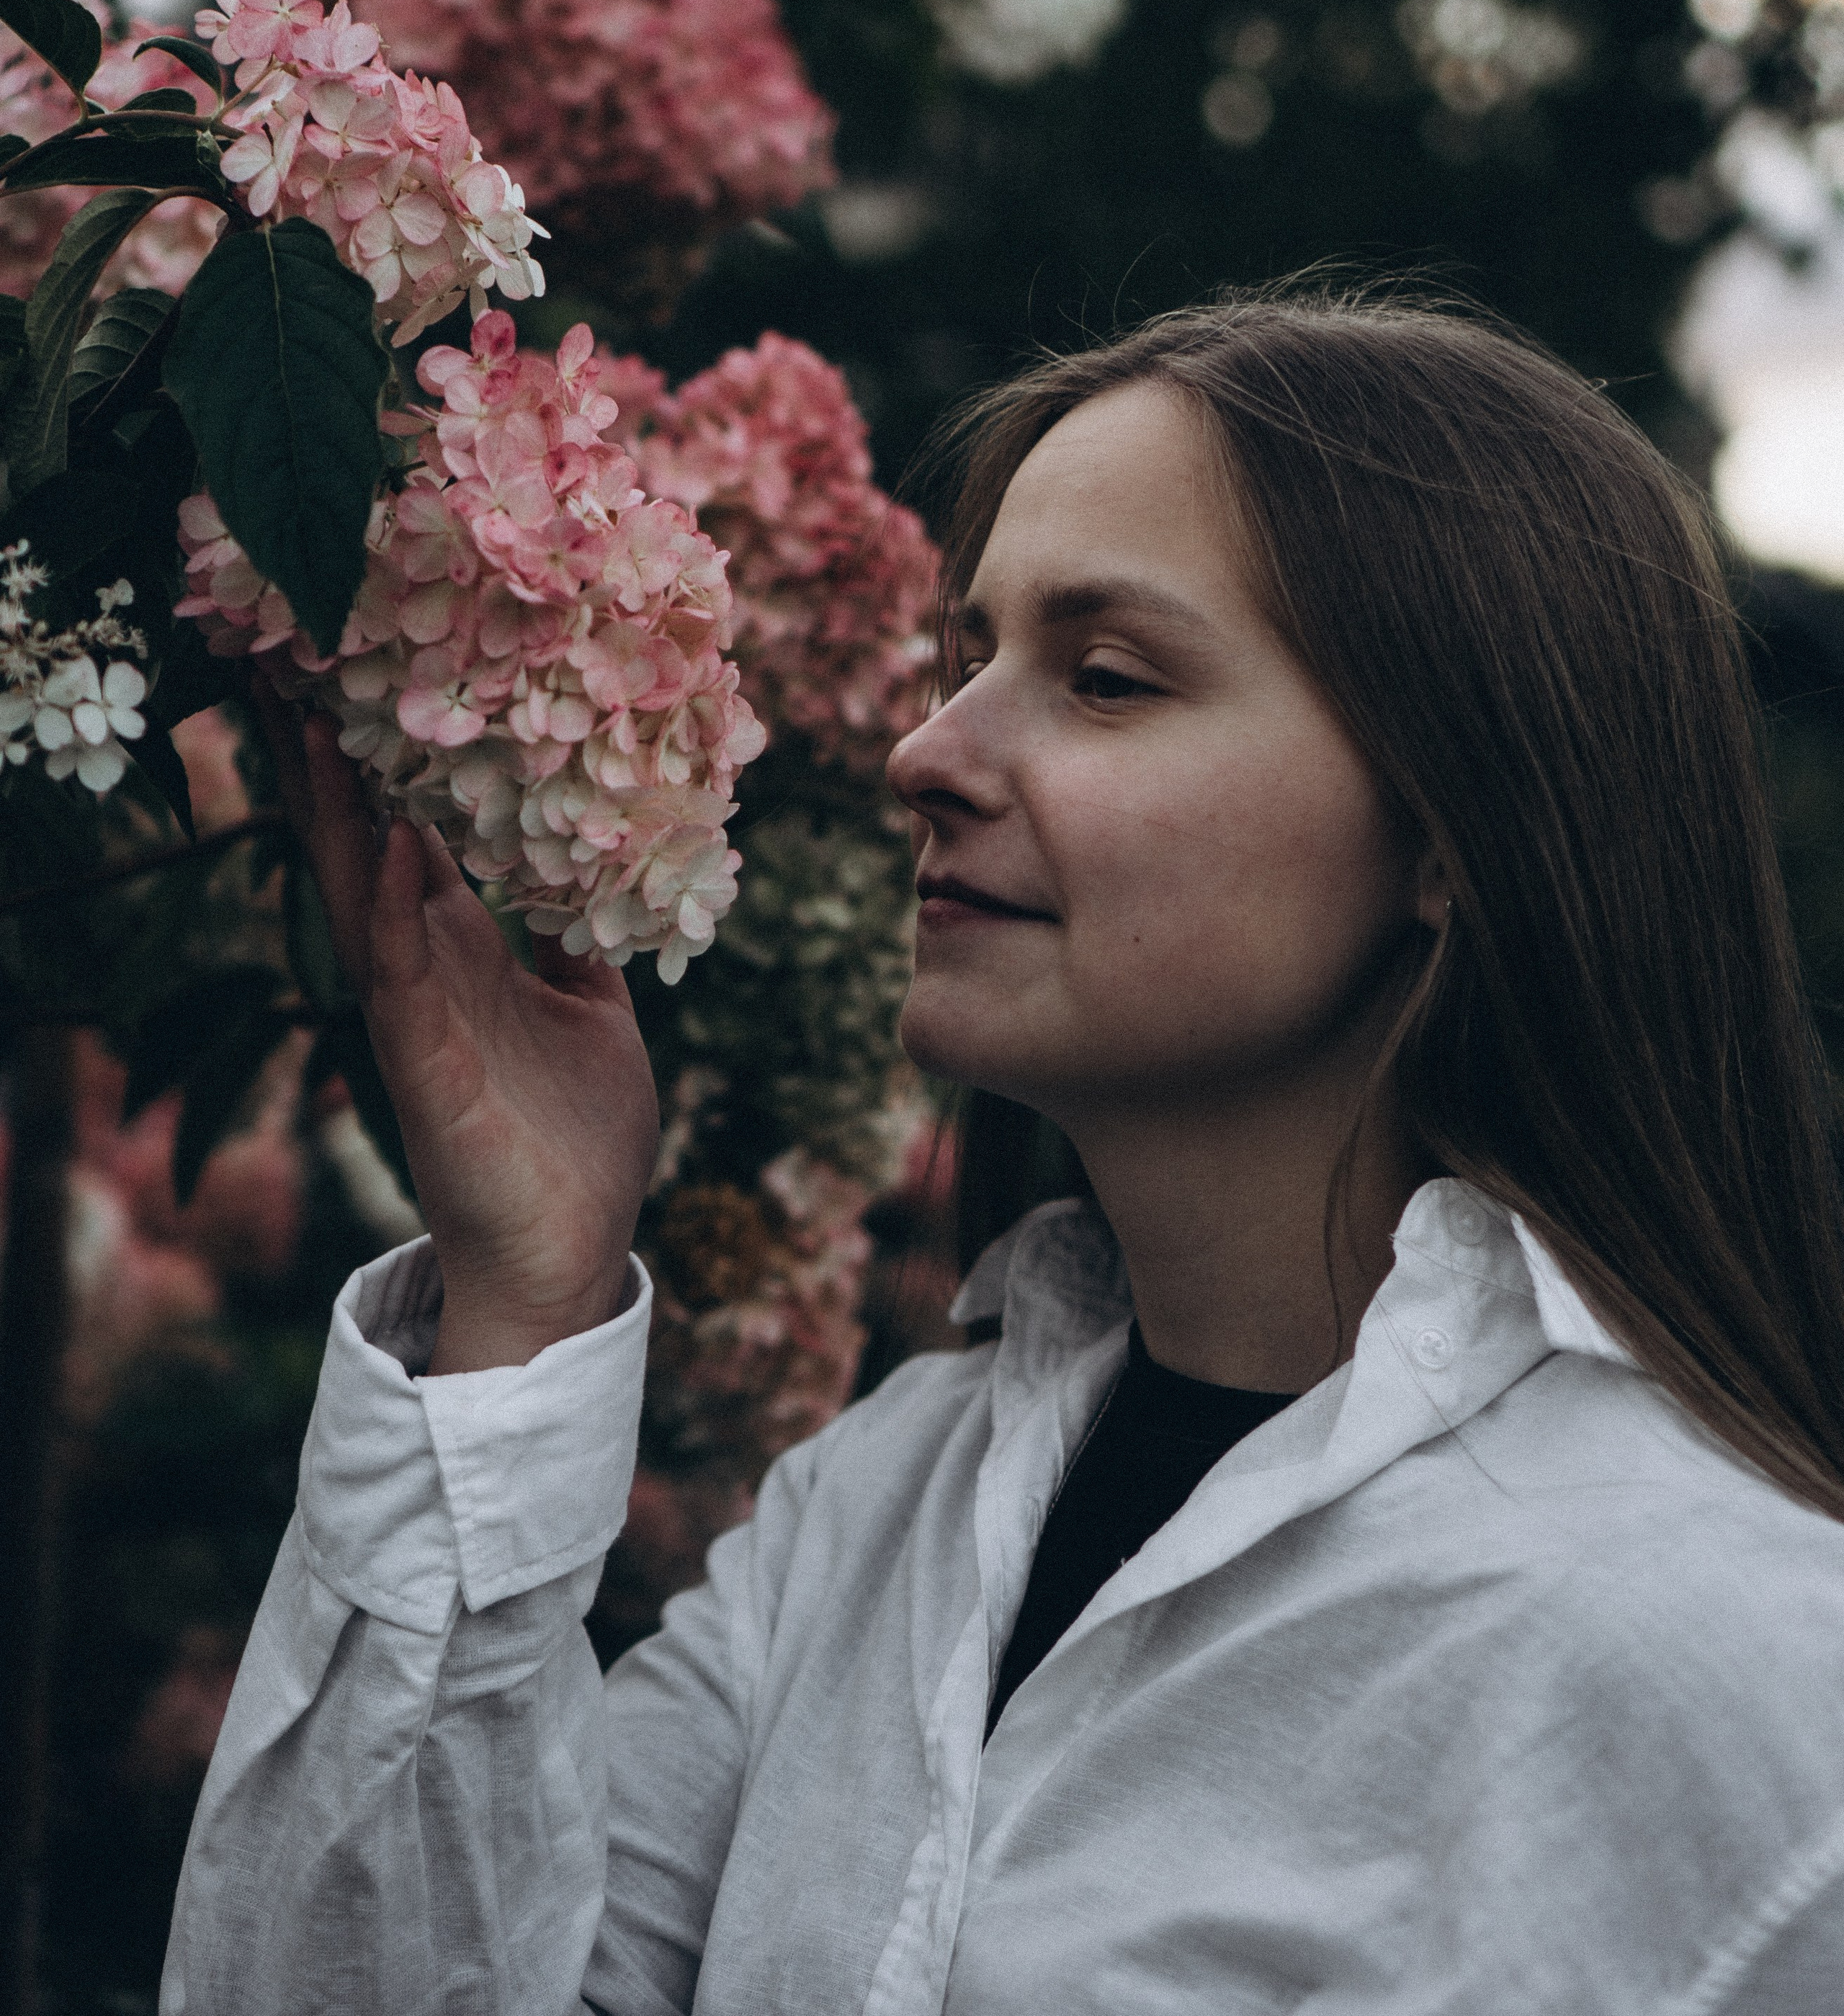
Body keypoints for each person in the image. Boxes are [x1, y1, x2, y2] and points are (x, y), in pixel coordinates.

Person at [161, 290, 1844, 2015]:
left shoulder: (1734, 1675)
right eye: (964, 662)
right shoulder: (880, 1506)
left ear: (1450, 830)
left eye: (1103, 679)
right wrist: (526, 1293)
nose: (920, 753)